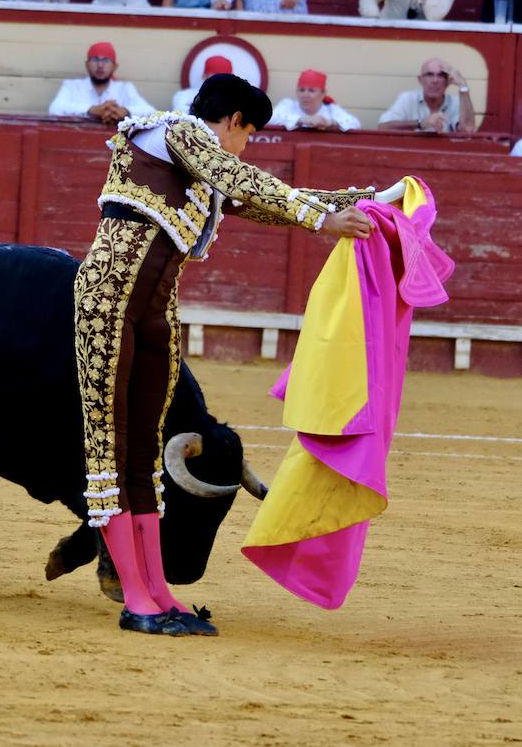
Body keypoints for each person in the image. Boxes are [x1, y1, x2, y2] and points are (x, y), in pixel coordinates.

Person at [72, 72, 371, 636]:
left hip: (155, 312)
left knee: (141, 453)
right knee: (109, 448)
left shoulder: (201, 166)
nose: (246, 144)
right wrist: (322, 222)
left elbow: (270, 201)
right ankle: (136, 597)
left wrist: (369, 204)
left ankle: (157, 593)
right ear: (233, 120)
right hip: (107, 300)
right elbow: (239, 176)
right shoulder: (176, 132)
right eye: (249, 132)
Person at [48, 41, 156, 122]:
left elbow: (150, 112)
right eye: (95, 60)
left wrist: (125, 111)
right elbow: (55, 108)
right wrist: (90, 110)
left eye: (106, 60)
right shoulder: (72, 86)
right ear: (87, 65)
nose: (100, 65)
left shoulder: (125, 88)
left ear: (114, 66)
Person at [378, 57, 476, 132]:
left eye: (441, 75)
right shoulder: (408, 98)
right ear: (420, 80)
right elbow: (383, 127)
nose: (435, 80)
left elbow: (468, 130)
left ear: (447, 82)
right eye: (429, 75)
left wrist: (463, 87)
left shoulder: (456, 103)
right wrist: (420, 123)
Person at [269, 68, 360, 130]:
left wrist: (330, 123)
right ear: (296, 92)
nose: (305, 95)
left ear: (323, 94)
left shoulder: (331, 109)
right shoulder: (288, 105)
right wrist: (303, 120)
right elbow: (269, 119)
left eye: (311, 91)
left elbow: (355, 124)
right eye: (302, 90)